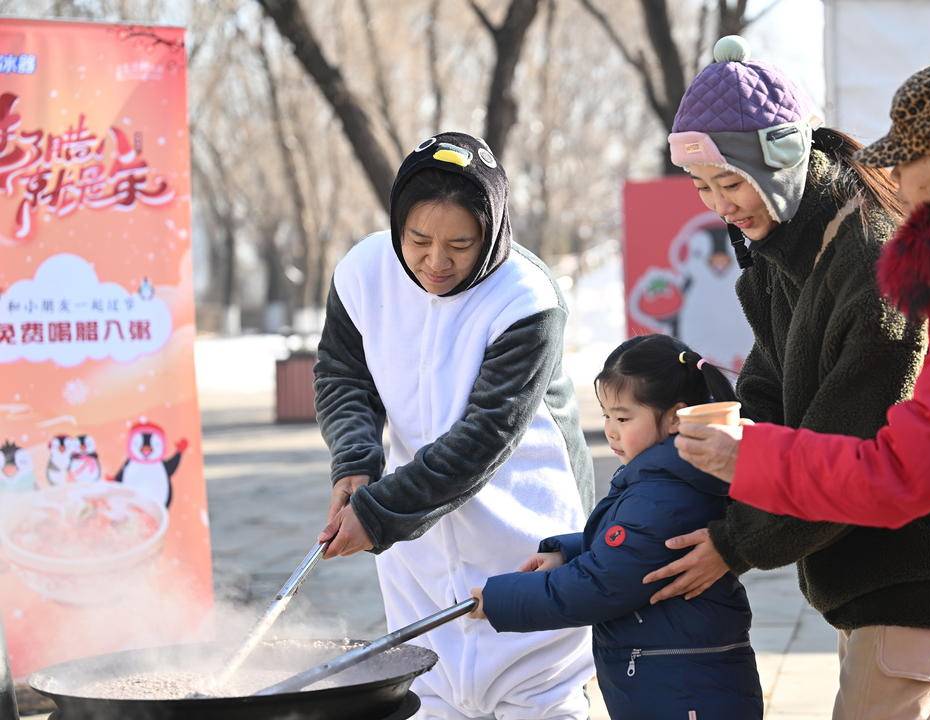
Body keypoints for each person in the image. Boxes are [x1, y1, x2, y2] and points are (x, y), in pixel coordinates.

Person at [677, 56, 930, 719]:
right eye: (700, 186)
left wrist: (743, 499)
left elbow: (897, 472)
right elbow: (775, 386)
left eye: (907, 161)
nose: (892, 178)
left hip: (925, 580)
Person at [313, 131, 595, 720]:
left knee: (540, 695)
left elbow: (486, 437)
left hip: (524, 536)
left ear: (490, 232)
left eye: (460, 245)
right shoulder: (364, 272)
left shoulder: (525, 297)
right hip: (416, 548)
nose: (436, 262)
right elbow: (343, 375)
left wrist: (380, 512)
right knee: (429, 688)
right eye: (418, 241)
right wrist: (357, 462)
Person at [469, 335, 763, 720]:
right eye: (606, 415)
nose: (610, 430)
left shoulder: (666, 491)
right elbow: (630, 550)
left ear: (675, 417)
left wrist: (501, 600)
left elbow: (600, 584)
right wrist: (567, 551)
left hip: (686, 691)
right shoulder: (659, 476)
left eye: (623, 418)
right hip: (677, 681)